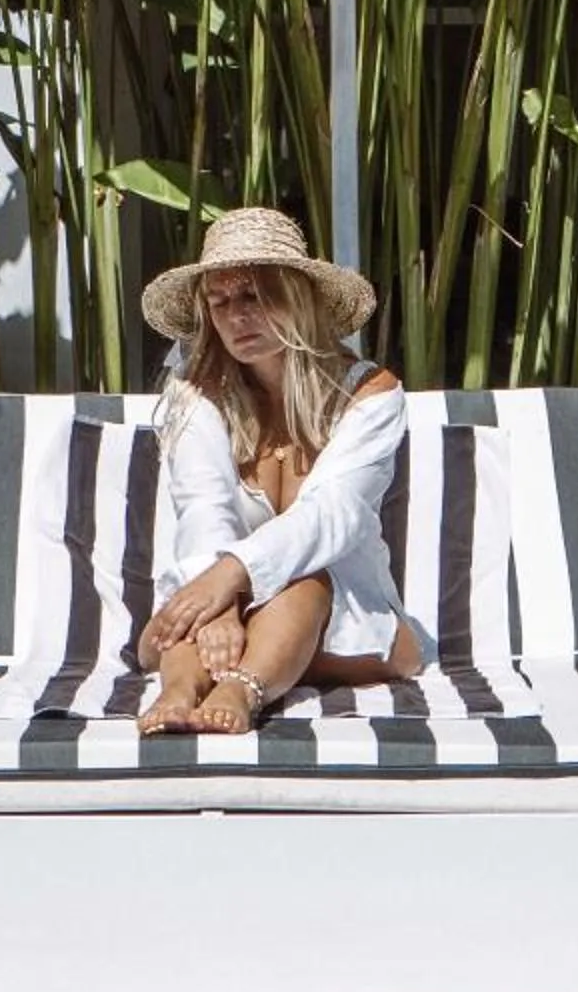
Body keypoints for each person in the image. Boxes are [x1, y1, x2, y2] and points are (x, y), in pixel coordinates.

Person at [134, 208, 422, 736]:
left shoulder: (369, 395)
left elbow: (335, 514)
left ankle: (240, 687)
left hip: (344, 617)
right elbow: (201, 506)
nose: (236, 317)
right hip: (228, 610)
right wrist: (220, 602)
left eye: (254, 296)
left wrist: (228, 577)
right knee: (191, 608)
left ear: (298, 298)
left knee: (305, 582)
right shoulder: (197, 393)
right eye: (220, 302)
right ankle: (180, 690)